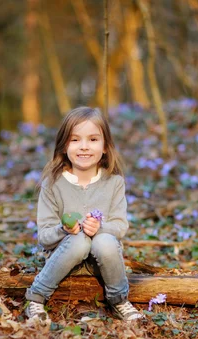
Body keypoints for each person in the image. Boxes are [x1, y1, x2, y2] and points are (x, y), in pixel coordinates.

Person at [25, 106, 144, 323]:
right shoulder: (52, 185)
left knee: (105, 241)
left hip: (101, 263)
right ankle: (36, 297)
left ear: (106, 146)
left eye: (92, 139)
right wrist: (64, 230)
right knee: (79, 241)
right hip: (64, 257)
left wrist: (100, 228)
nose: (84, 147)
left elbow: (120, 226)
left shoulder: (114, 183)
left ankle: (118, 300)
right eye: (75, 140)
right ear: (63, 146)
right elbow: (44, 237)